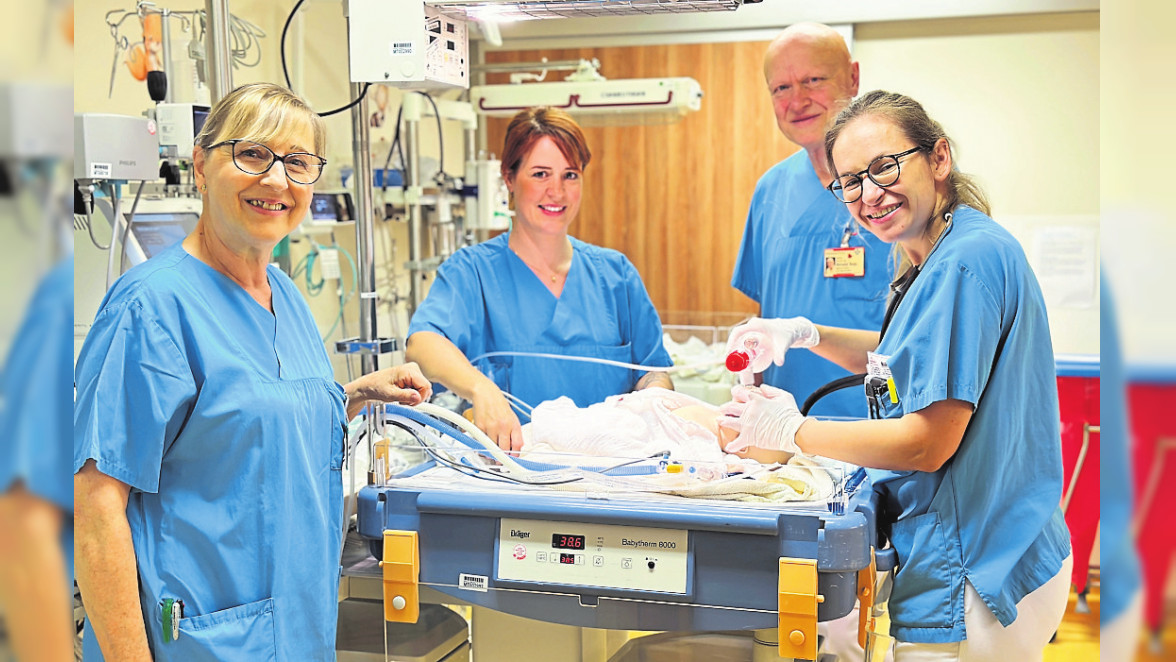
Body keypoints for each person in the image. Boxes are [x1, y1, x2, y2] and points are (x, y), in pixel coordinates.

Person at [73, 83, 433, 662]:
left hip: (298, 628)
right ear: (200, 165)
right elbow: (94, 506)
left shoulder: (283, 295)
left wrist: (351, 395)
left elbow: (239, 427)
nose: (276, 180)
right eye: (252, 154)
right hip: (198, 640)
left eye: (297, 162)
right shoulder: (150, 308)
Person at [723, 90, 1072, 659]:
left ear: (938, 159)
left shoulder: (963, 262)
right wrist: (806, 332)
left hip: (975, 566)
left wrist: (790, 432)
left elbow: (927, 443)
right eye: (851, 181)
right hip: (1001, 544)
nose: (869, 193)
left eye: (885, 166)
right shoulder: (937, 252)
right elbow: (904, 358)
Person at [406, 106, 673, 451]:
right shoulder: (473, 273)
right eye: (541, 174)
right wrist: (480, 388)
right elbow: (422, 342)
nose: (557, 191)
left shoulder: (615, 275)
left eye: (570, 175)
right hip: (511, 480)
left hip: (611, 479)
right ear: (509, 179)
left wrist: (652, 402)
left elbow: (653, 371)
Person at [730, 23, 891, 417]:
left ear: (853, 78)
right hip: (788, 428)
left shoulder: (895, 185)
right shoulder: (771, 190)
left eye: (812, 80)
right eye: (781, 88)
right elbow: (765, 314)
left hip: (881, 430)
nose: (796, 100)